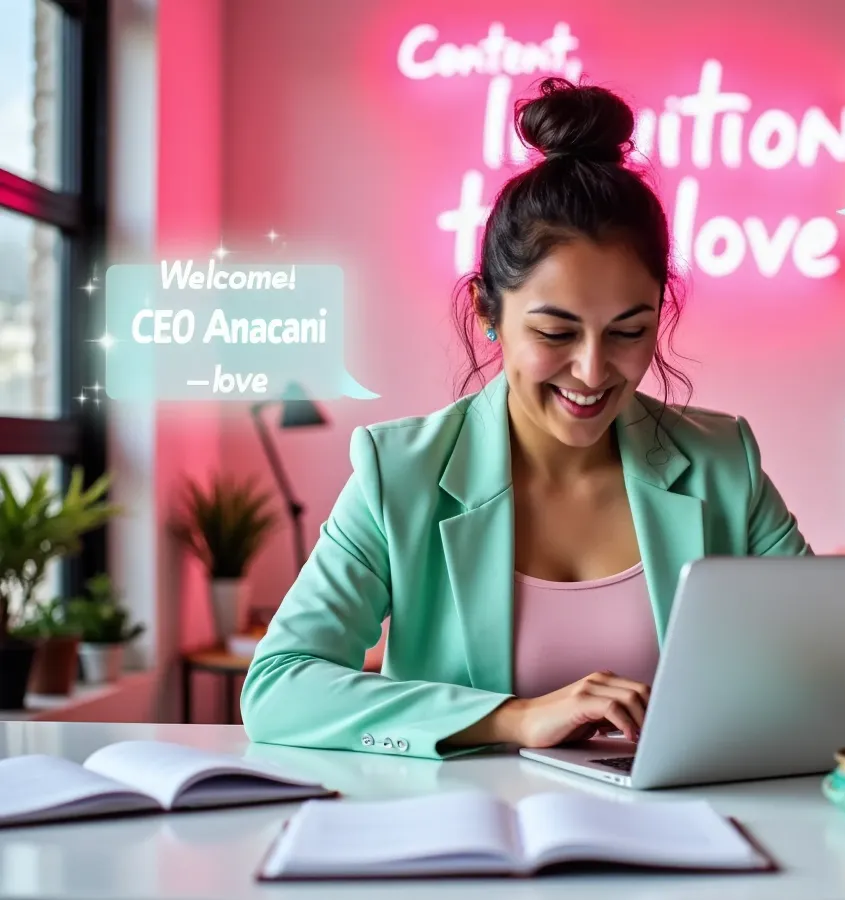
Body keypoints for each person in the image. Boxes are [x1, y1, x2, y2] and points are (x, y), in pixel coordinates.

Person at [239, 77, 810, 760]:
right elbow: (277, 688)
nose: (594, 372)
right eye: (556, 333)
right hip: (467, 841)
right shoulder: (400, 474)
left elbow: (827, 662)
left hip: (679, 836)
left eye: (628, 331)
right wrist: (514, 718)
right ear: (487, 311)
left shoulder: (724, 463)